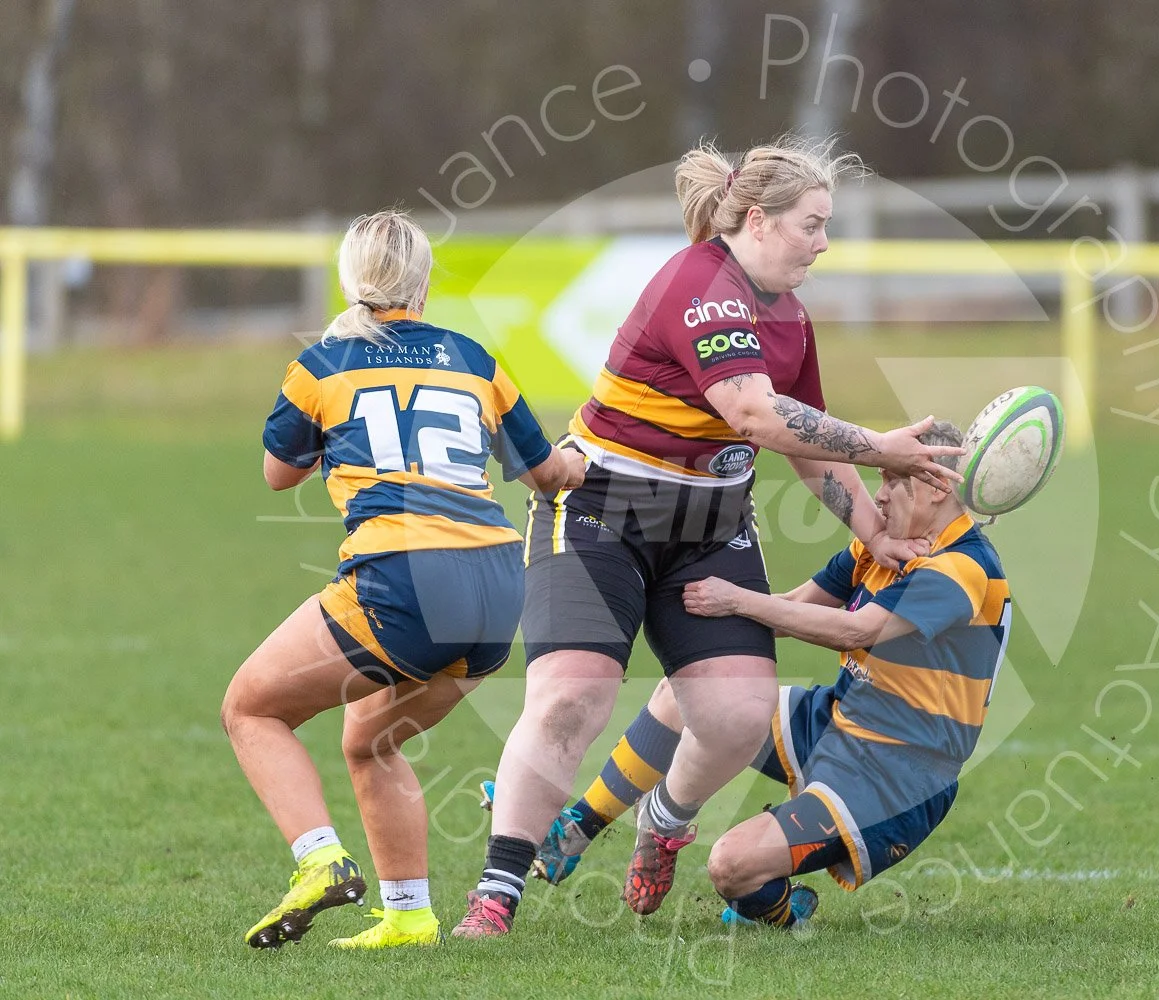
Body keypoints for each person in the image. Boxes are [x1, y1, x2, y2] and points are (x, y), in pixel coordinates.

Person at [452, 136, 964, 938]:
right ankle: (497, 893)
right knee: (571, 699)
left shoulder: (789, 316)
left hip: (710, 527)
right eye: (812, 224)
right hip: (600, 514)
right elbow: (757, 415)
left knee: (736, 713)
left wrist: (875, 529)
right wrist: (885, 445)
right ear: (757, 220)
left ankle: (663, 821)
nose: (824, 243)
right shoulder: (703, 286)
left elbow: (802, 443)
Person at [220, 210, 584, 950]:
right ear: (422, 285)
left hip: (404, 579)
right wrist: (578, 457)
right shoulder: (475, 359)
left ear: (350, 281)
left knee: (251, 711)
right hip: (495, 587)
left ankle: (320, 862)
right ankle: (410, 915)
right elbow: (548, 476)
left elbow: (276, 473)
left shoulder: (322, 362)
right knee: (370, 741)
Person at [532, 421, 1011, 928]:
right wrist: (692, 631)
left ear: (937, 488)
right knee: (695, 686)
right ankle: (582, 828)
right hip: (834, 720)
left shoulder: (961, 569)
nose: (881, 496)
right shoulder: (885, 547)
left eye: (895, 481)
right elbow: (791, 608)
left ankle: (779, 908)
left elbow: (854, 631)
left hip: (899, 775)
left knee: (731, 866)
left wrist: (737, 600)